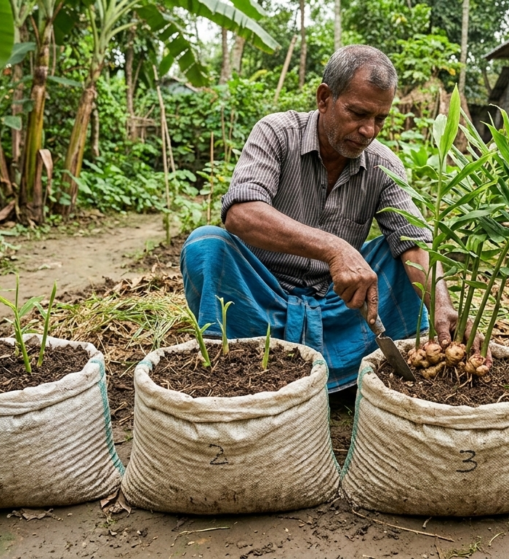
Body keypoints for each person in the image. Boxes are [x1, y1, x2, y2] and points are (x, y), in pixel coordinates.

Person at [180, 45, 466, 392]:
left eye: (380, 119)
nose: (369, 131)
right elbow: (241, 214)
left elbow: (414, 242)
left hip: (340, 308)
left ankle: (340, 373)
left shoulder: (384, 164)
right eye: (358, 114)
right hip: (261, 298)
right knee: (206, 246)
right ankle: (233, 367)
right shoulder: (276, 133)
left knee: (405, 263)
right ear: (324, 98)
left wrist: (442, 304)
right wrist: (334, 249)